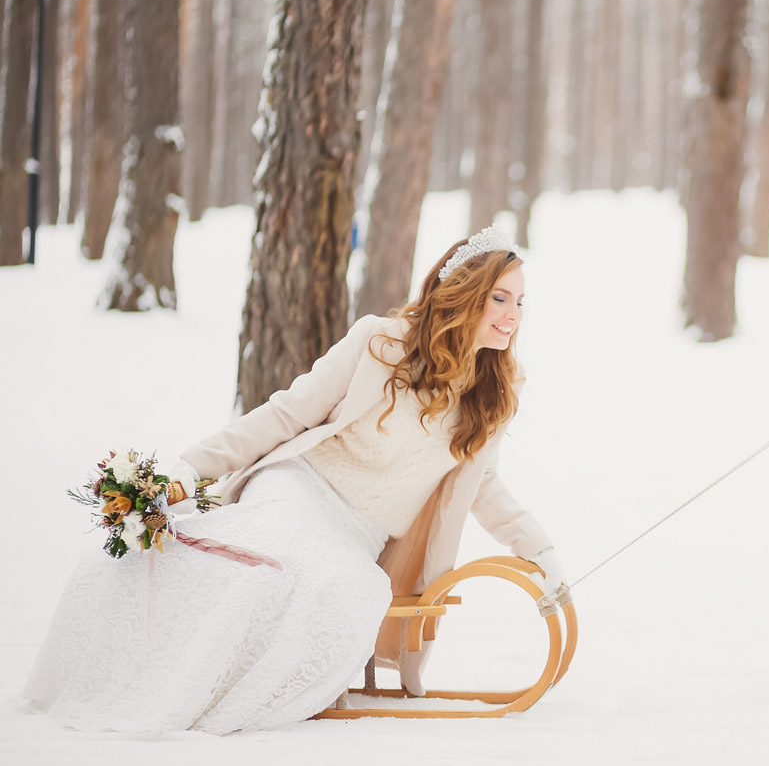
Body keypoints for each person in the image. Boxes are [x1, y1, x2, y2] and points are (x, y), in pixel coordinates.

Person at [24, 227, 566, 733]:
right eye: (501, 297)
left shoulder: (492, 393)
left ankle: (238, 690)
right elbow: (287, 413)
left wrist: (540, 551)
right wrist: (191, 470)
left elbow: (483, 488)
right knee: (273, 563)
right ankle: (157, 673)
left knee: (348, 591)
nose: (514, 314)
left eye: (521, 302)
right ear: (463, 294)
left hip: (357, 535)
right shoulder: (381, 343)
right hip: (299, 487)